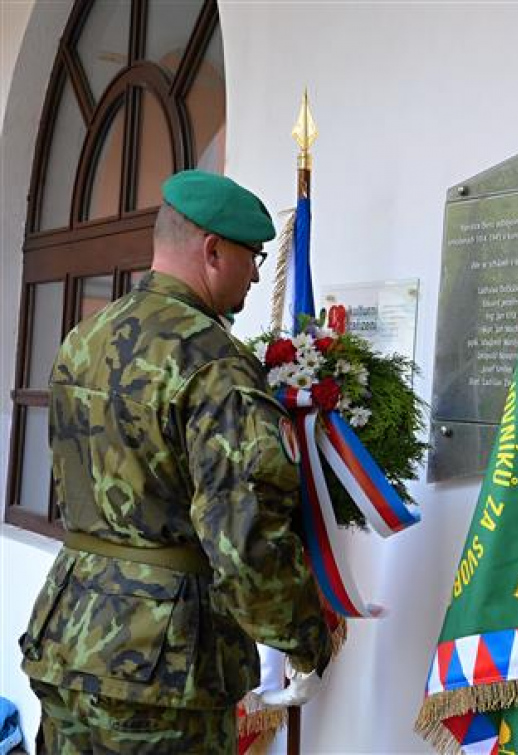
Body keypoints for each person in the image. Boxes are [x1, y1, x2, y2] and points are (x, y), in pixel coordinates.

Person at [20, 170, 331, 753]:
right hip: (160, 667)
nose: (258, 273)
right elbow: (245, 537)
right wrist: (305, 637)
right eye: (253, 256)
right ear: (213, 251)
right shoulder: (213, 361)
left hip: (68, 635)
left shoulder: (84, 337)